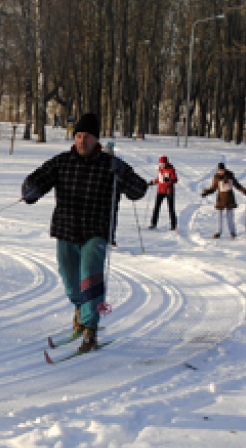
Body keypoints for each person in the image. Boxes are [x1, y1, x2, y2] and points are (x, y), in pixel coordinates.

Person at [21, 113, 147, 353]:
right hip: (66, 230)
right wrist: (31, 189)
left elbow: (138, 190)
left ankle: (90, 329)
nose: (81, 141)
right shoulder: (62, 162)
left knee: (90, 277)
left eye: (86, 136)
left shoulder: (110, 165)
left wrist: (121, 172)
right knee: (71, 282)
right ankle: (80, 310)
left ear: (95, 139)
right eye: (78, 136)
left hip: (95, 232)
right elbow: (38, 180)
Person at [201, 162, 246, 239]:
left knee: (230, 217)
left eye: (222, 170)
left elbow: (237, 185)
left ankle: (232, 233)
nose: (221, 172)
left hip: (229, 198)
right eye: (219, 170)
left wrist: (245, 191)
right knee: (219, 217)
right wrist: (206, 192)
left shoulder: (230, 175)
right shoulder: (216, 177)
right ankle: (218, 232)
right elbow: (213, 188)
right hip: (220, 199)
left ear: (224, 169)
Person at [148, 156, 178, 231]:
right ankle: (153, 223)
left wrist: (169, 180)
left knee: (171, 208)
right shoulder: (160, 169)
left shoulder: (171, 169)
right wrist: (153, 182)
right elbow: (159, 179)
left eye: (163, 163)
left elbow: (175, 179)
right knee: (156, 207)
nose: (162, 165)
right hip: (160, 190)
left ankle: (173, 226)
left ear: (166, 163)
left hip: (169, 191)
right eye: (161, 163)